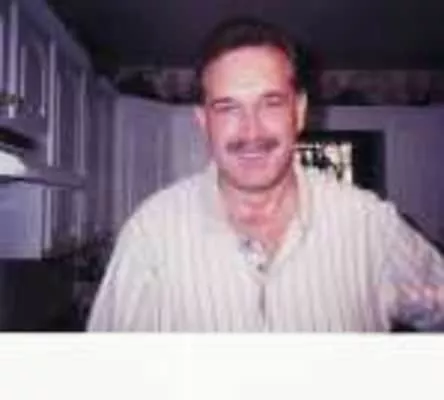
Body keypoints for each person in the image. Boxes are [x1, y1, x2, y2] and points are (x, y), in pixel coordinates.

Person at [88, 18, 444, 332]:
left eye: (271, 103)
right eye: (228, 108)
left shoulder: (370, 225)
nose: (251, 131)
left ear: (299, 112)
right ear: (204, 121)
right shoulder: (150, 236)